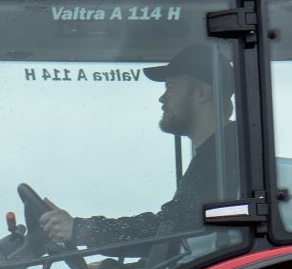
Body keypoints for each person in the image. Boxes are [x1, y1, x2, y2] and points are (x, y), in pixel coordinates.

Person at [31, 51, 232, 249]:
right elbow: (178, 235)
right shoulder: (217, 153)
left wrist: (80, 230)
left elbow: (168, 229)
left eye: (170, 88)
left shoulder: (224, 159)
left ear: (201, 93)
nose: (162, 98)